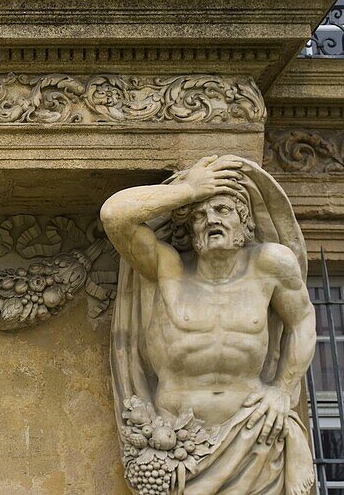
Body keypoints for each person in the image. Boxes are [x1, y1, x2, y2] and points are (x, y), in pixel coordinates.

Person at [101, 154, 316, 495]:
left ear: (245, 223)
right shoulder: (167, 270)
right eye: (200, 215)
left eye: (222, 210)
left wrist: (281, 389)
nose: (210, 219)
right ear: (191, 229)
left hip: (254, 440)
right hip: (181, 449)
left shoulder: (269, 265)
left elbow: (303, 320)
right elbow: (114, 216)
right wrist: (188, 191)